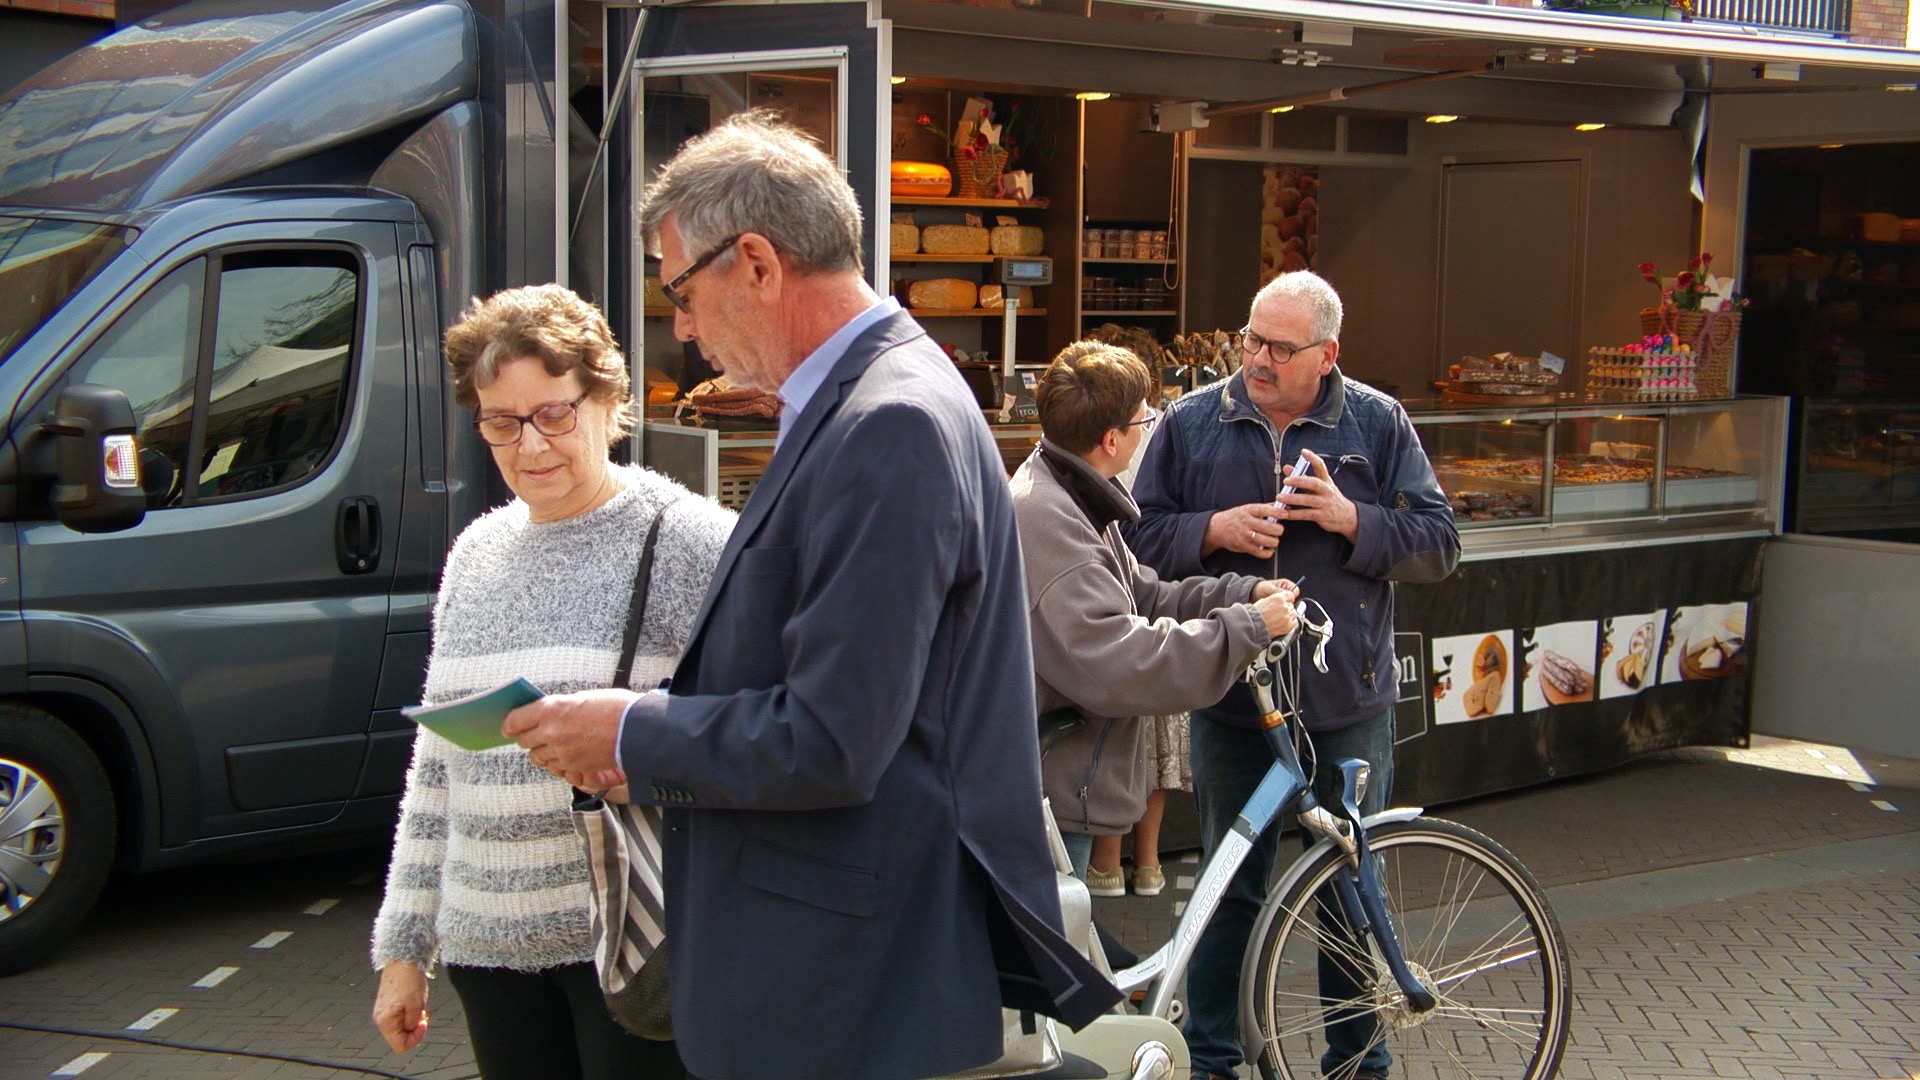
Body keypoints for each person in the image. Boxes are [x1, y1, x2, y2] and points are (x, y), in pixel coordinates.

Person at [499, 110, 1120, 1080]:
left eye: (681, 292)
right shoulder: (875, 396)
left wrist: (629, 734)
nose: (683, 326)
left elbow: (834, 740)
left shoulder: (890, 422)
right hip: (843, 973)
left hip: (843, 992)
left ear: (755, 262)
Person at [370, 285, 735, 1080]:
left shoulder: (691, 541)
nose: (529, 446)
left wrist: (639, 739)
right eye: (501, 422)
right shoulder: (474, 553)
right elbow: (436, 772)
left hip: (633, 940)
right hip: (485, 948)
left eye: (554, 415)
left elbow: (756, 731)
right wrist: (406, 949)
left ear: (609, 401)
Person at [1124, 270, 1461, 1080]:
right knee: (1227, 889)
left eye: (1280, 347)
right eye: (1251, 339)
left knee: (1350, 892)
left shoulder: (1378, 423)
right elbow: (1133, 540)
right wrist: (1212, 531)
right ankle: (1210, 1062)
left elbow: (1440, 544)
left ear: (1327, 353)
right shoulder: (1193, 421)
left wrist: (1352, 522)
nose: (1258, 360)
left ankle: (1355, 1063)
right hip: (1236, 698)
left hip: (1347, 700)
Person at [1010, 340, 1299, 887]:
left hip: (1060, 776)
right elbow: (1121, 661)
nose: (1148, 428)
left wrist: (1243, 593)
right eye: (1142, 418)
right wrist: (1250, 627)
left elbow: (1143, 594)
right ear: (1111, 439)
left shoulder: (1068, 491)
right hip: (1050, 785)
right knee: (1051, 955)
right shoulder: (1050, 520)